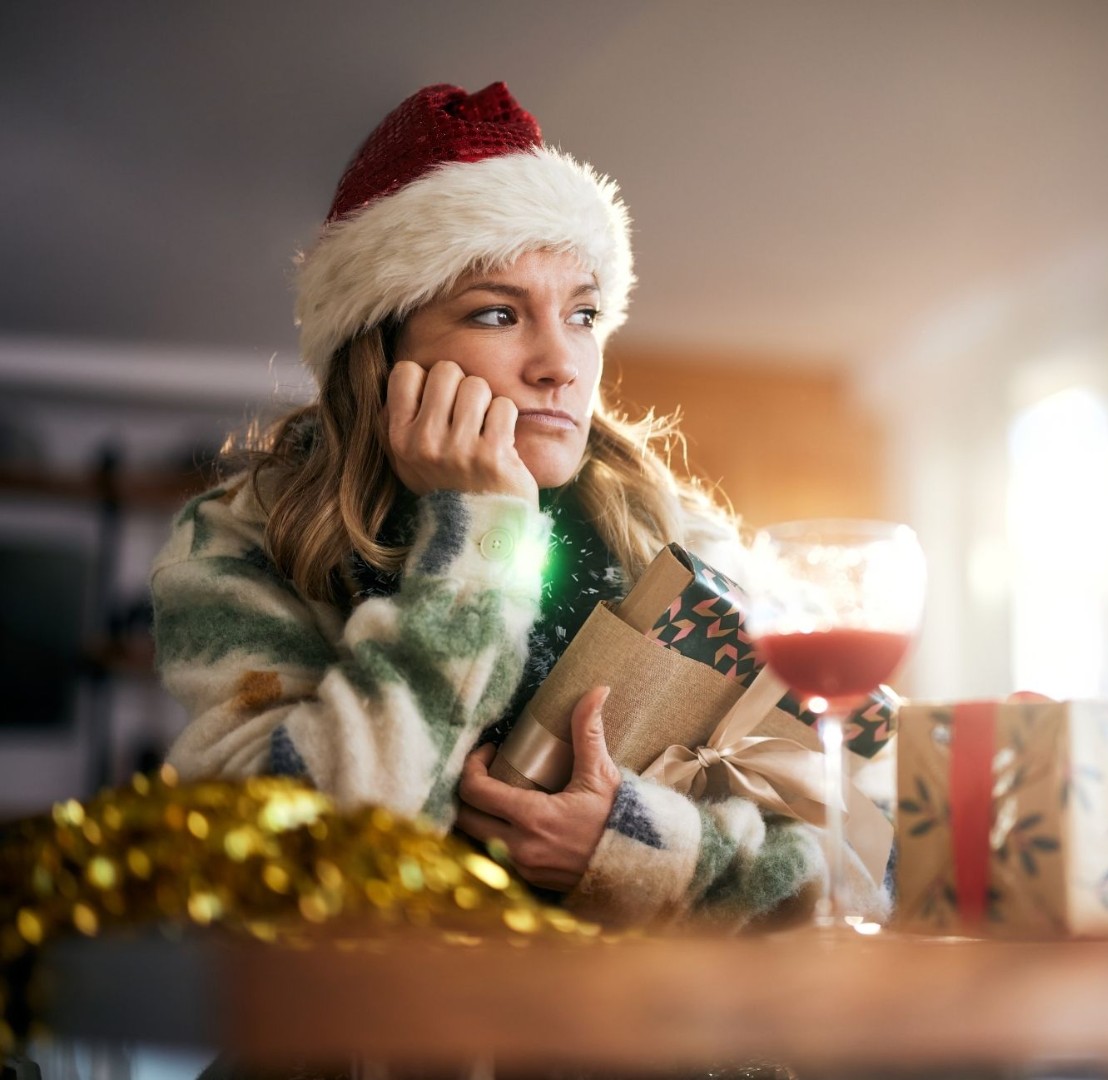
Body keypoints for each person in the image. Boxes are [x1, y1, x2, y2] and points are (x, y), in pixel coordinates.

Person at [151, 82, 888, 931]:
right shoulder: (240, 541)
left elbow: (868, 863)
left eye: (583, 314)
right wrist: (475, 539)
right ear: (380, 351)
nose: (560, 364)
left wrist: (635, 849)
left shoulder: (677, 532)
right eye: (499, 313)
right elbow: (280, 860)